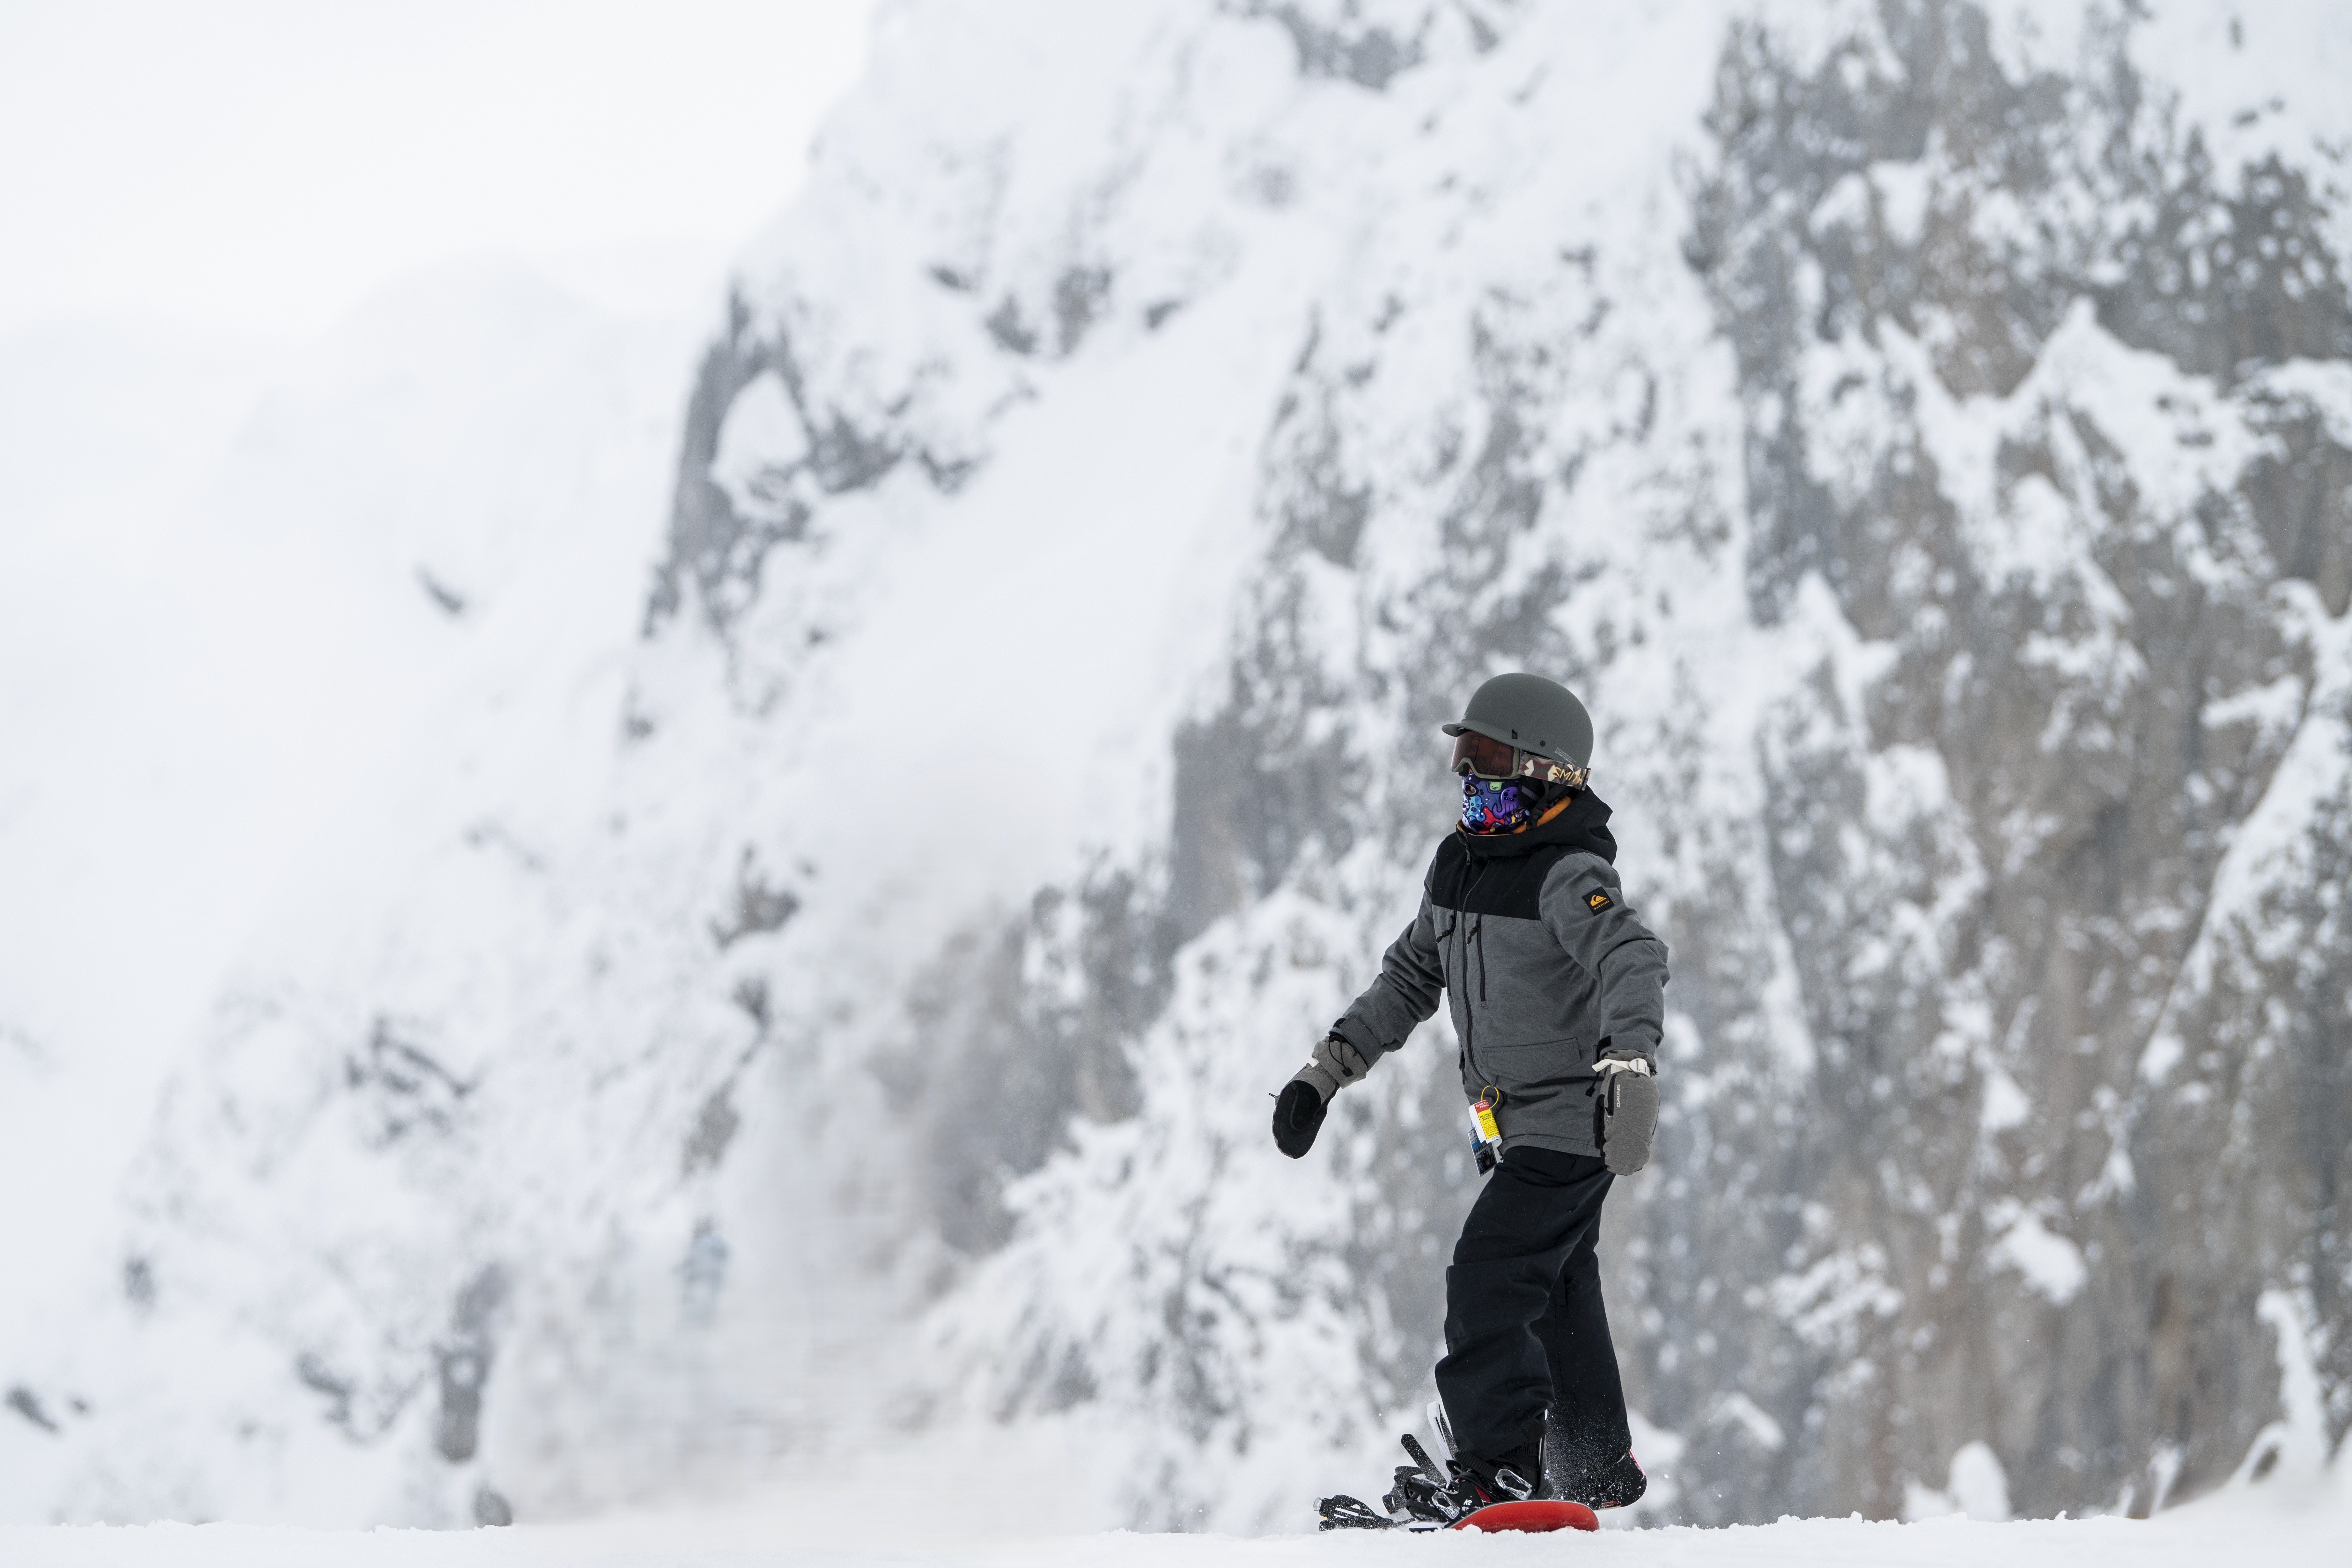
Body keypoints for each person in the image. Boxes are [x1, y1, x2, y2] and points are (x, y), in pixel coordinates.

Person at [1273, 672, 1665, 1518]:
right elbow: (1412, 975)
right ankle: (1592, 1465)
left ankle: (1500, 1468)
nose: (1470, 779)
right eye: (1464, 759)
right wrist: (1325, 1072)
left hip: (1570, 1122)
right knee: (1557, 1281)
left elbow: (1631, 956)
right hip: (1517, 1128)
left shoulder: (1568, 872)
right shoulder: (1461, 867)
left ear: (1548, 773)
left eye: (1489, 761)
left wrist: (1629, 1066)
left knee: (1491, 1276)